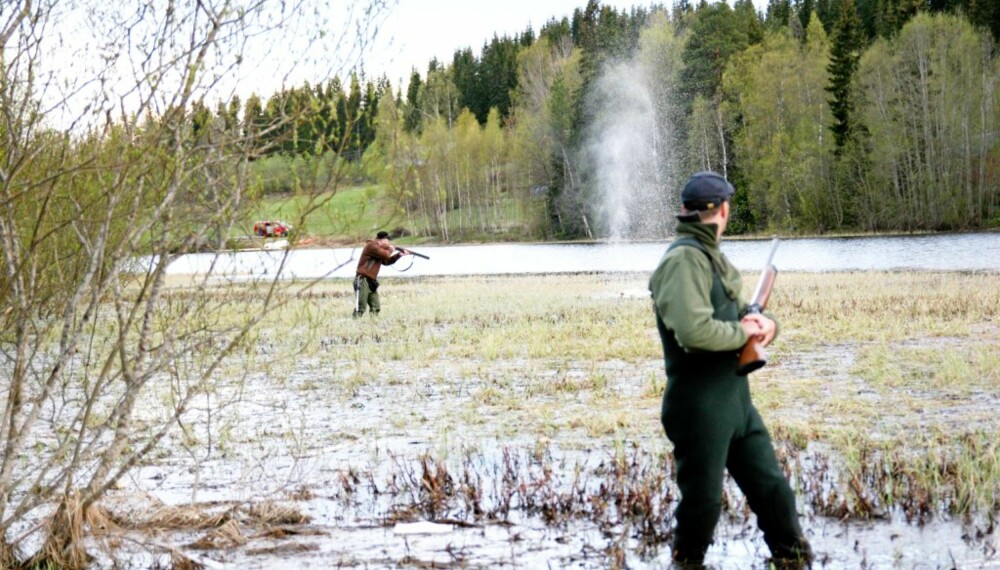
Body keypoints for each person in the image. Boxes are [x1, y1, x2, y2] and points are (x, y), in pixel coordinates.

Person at [648, 172, 813, 567]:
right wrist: (742, 334)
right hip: (700, 406)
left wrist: (768, 324)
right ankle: (684, 563)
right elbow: (693, 332)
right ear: (723, 210)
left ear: (687, 211)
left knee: (774, 491)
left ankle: (794, 560)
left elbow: (745, 312)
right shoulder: (682, 260)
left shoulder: (712, 258)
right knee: (703, 506)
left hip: (736, 403)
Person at [353, 230, 410, 317]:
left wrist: (399, 255)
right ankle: (355, 324)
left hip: (371, 281)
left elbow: (387, 261)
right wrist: (391, 249)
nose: (389, 242)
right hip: (362, 280)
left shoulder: (379, 250)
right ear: (382, 240)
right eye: (388, 240)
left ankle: (373, 325)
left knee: (376, 307)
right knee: (361, 307)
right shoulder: (372, 246)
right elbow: (386, 255)